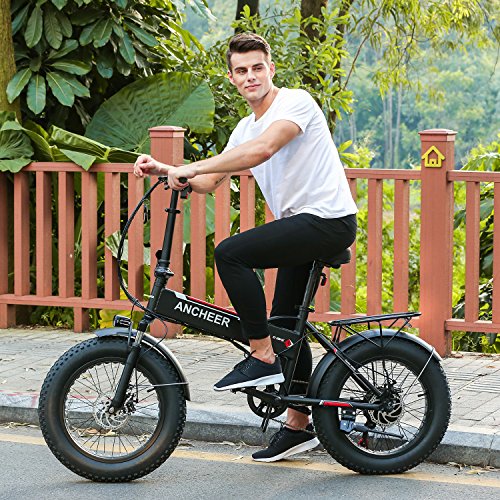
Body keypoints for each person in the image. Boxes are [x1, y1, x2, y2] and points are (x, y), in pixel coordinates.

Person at [133, 33, 357, 462]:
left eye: (257, 67)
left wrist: (193, 165)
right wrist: (167, 169)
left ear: (270, 69)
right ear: (232, 78)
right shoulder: (243, 128)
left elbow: (264, 149)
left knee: (230, 252)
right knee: (286, 326)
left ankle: (261, 355)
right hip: (301, 226)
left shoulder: (295, 103)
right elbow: (207, 181)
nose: (250, 76)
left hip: (327, 221)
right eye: (241, 70)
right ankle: (298, 426)